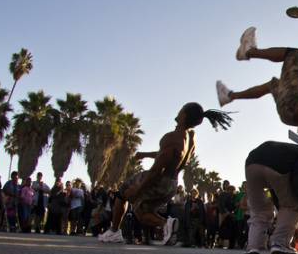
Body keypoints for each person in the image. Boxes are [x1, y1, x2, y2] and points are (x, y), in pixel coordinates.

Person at [99, 103, 232, 244]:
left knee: (122, 192)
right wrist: (145, 154)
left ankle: (114, 232)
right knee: (142, 212)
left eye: (181, 109)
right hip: (171, 185)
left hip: (159, 179)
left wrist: (138, 188)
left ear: (184, 115)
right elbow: (170, 155)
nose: (178, 111)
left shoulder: (171, 137)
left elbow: (158, 168)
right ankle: (168, 224)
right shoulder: (189, 140)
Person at [244, 140, 298, 254]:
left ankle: (253, 246)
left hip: (251, 164)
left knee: (259, 211)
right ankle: (279, 244)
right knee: (292, 206)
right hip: (279, 164)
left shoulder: (287, 148)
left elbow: (274, 193)